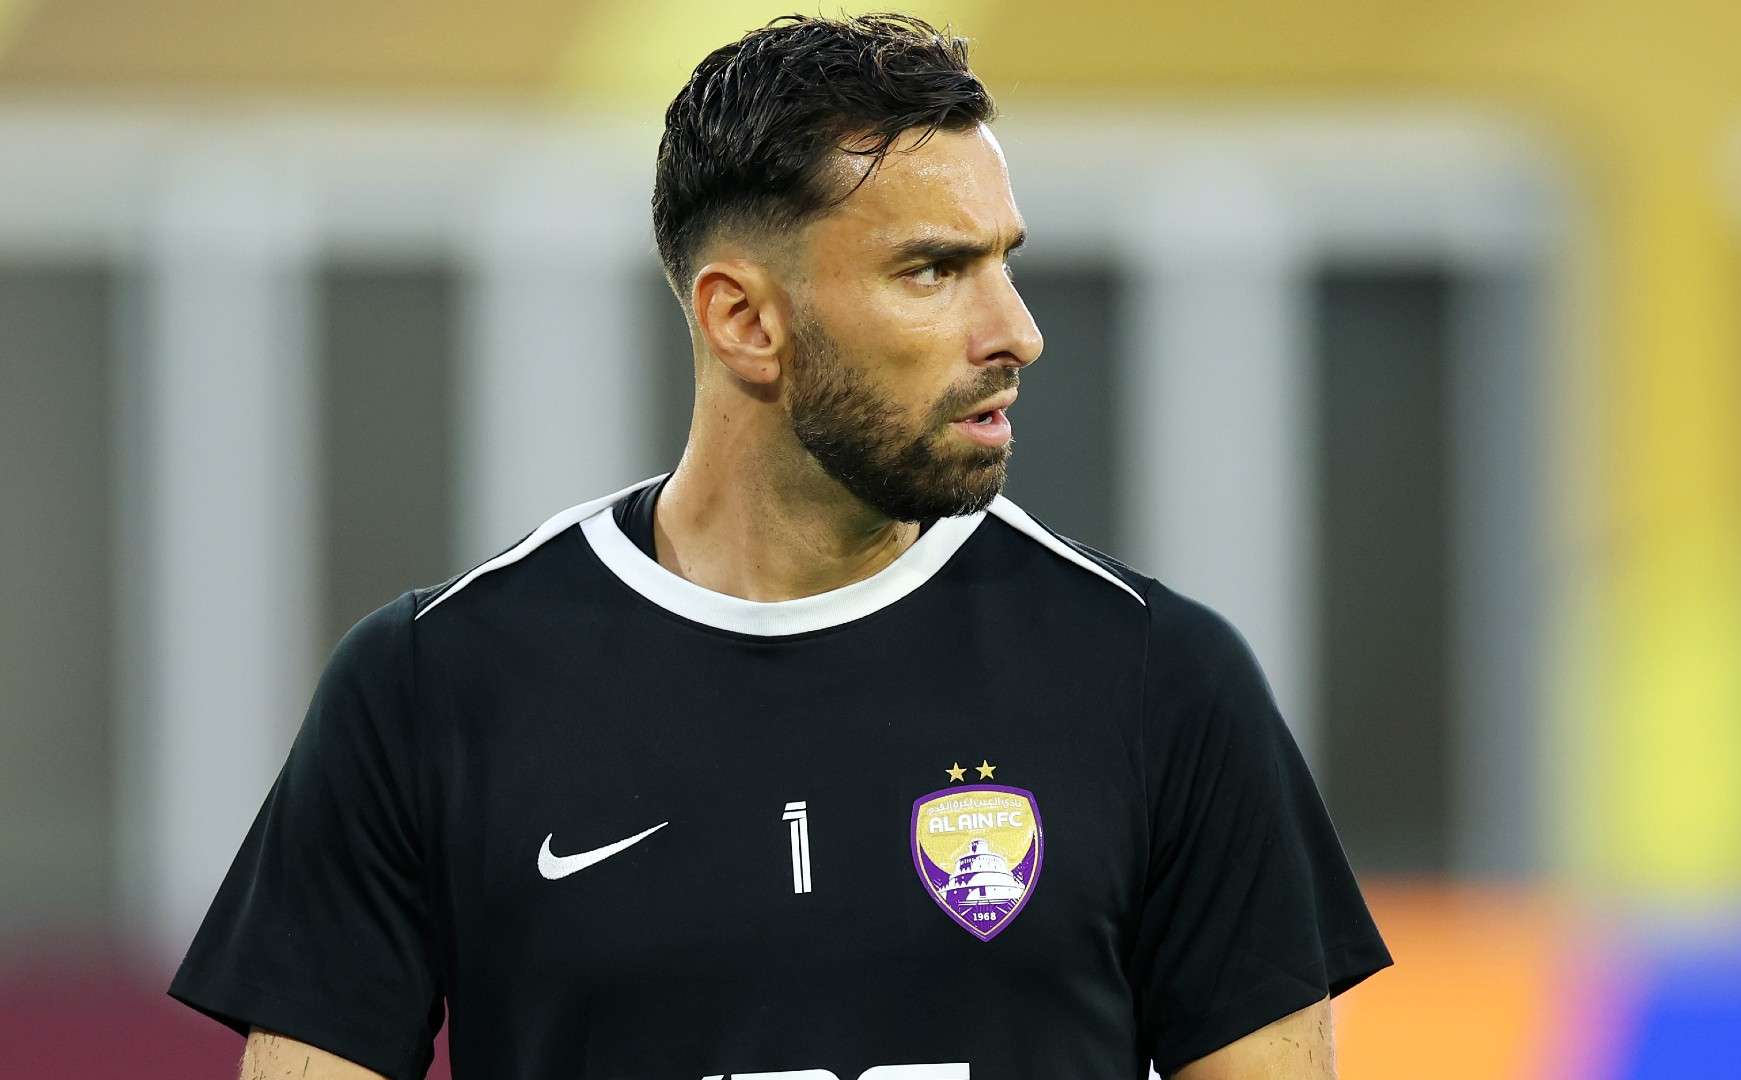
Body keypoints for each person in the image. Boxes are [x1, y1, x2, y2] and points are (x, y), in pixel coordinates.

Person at [168, 13, 1391, 1079]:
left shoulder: (1154, 676)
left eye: (1002, 263)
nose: (1015, 330)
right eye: (933, 271)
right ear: (744, 319)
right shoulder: (433, 686)